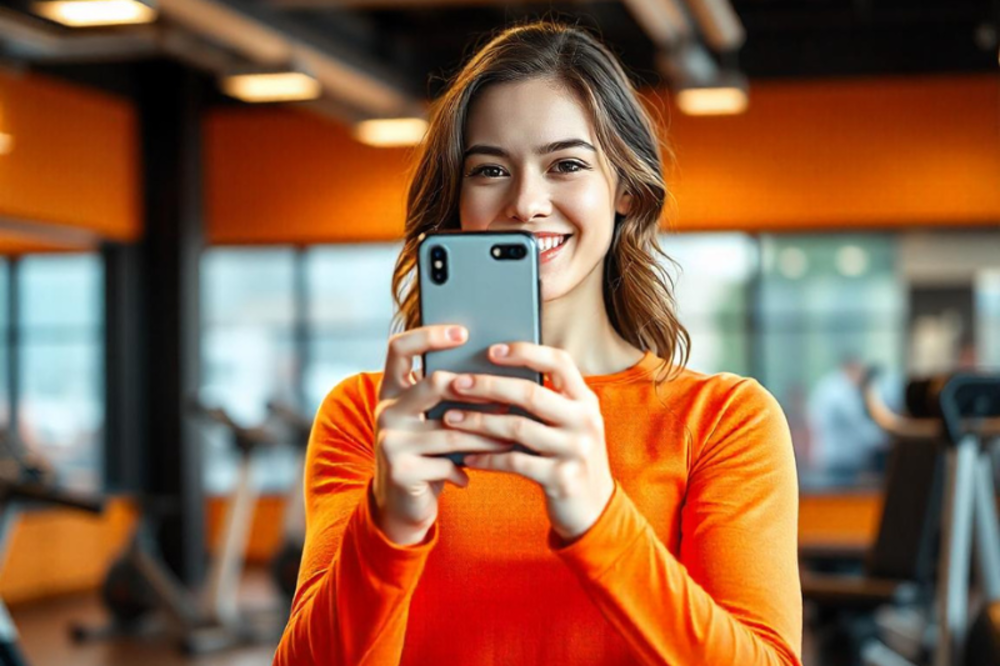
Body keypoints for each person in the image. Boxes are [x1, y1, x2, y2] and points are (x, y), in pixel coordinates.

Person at [273, 21, 801, 665]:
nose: (526, 202)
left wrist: (598, 517)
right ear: (457, 197)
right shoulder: (370, 416)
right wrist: (388, 527)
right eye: (491, 169)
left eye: (567, 165)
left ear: (627, 189)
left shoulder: (723, 421)